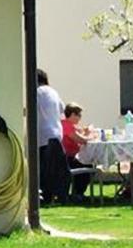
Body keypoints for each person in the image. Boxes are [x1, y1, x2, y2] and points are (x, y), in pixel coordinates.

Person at [36, 69, 70, 205]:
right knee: (56, 168)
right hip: (56, 133)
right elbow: (62, 109)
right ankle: (58, 195)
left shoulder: (37, 92)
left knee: (43, 168)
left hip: (42, 135)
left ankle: (44, 195)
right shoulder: (53, 92)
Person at [61, 103, 96, 203]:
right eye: (79, 115)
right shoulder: (67, 125)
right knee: (89, 165)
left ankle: (78, 192)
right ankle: (78, 193)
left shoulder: (67, 125)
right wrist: (90, 135)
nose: (80, 118)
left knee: (88, 163)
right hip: (68, 158)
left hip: (71, 157)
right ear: (72, 114)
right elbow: (81, 140)